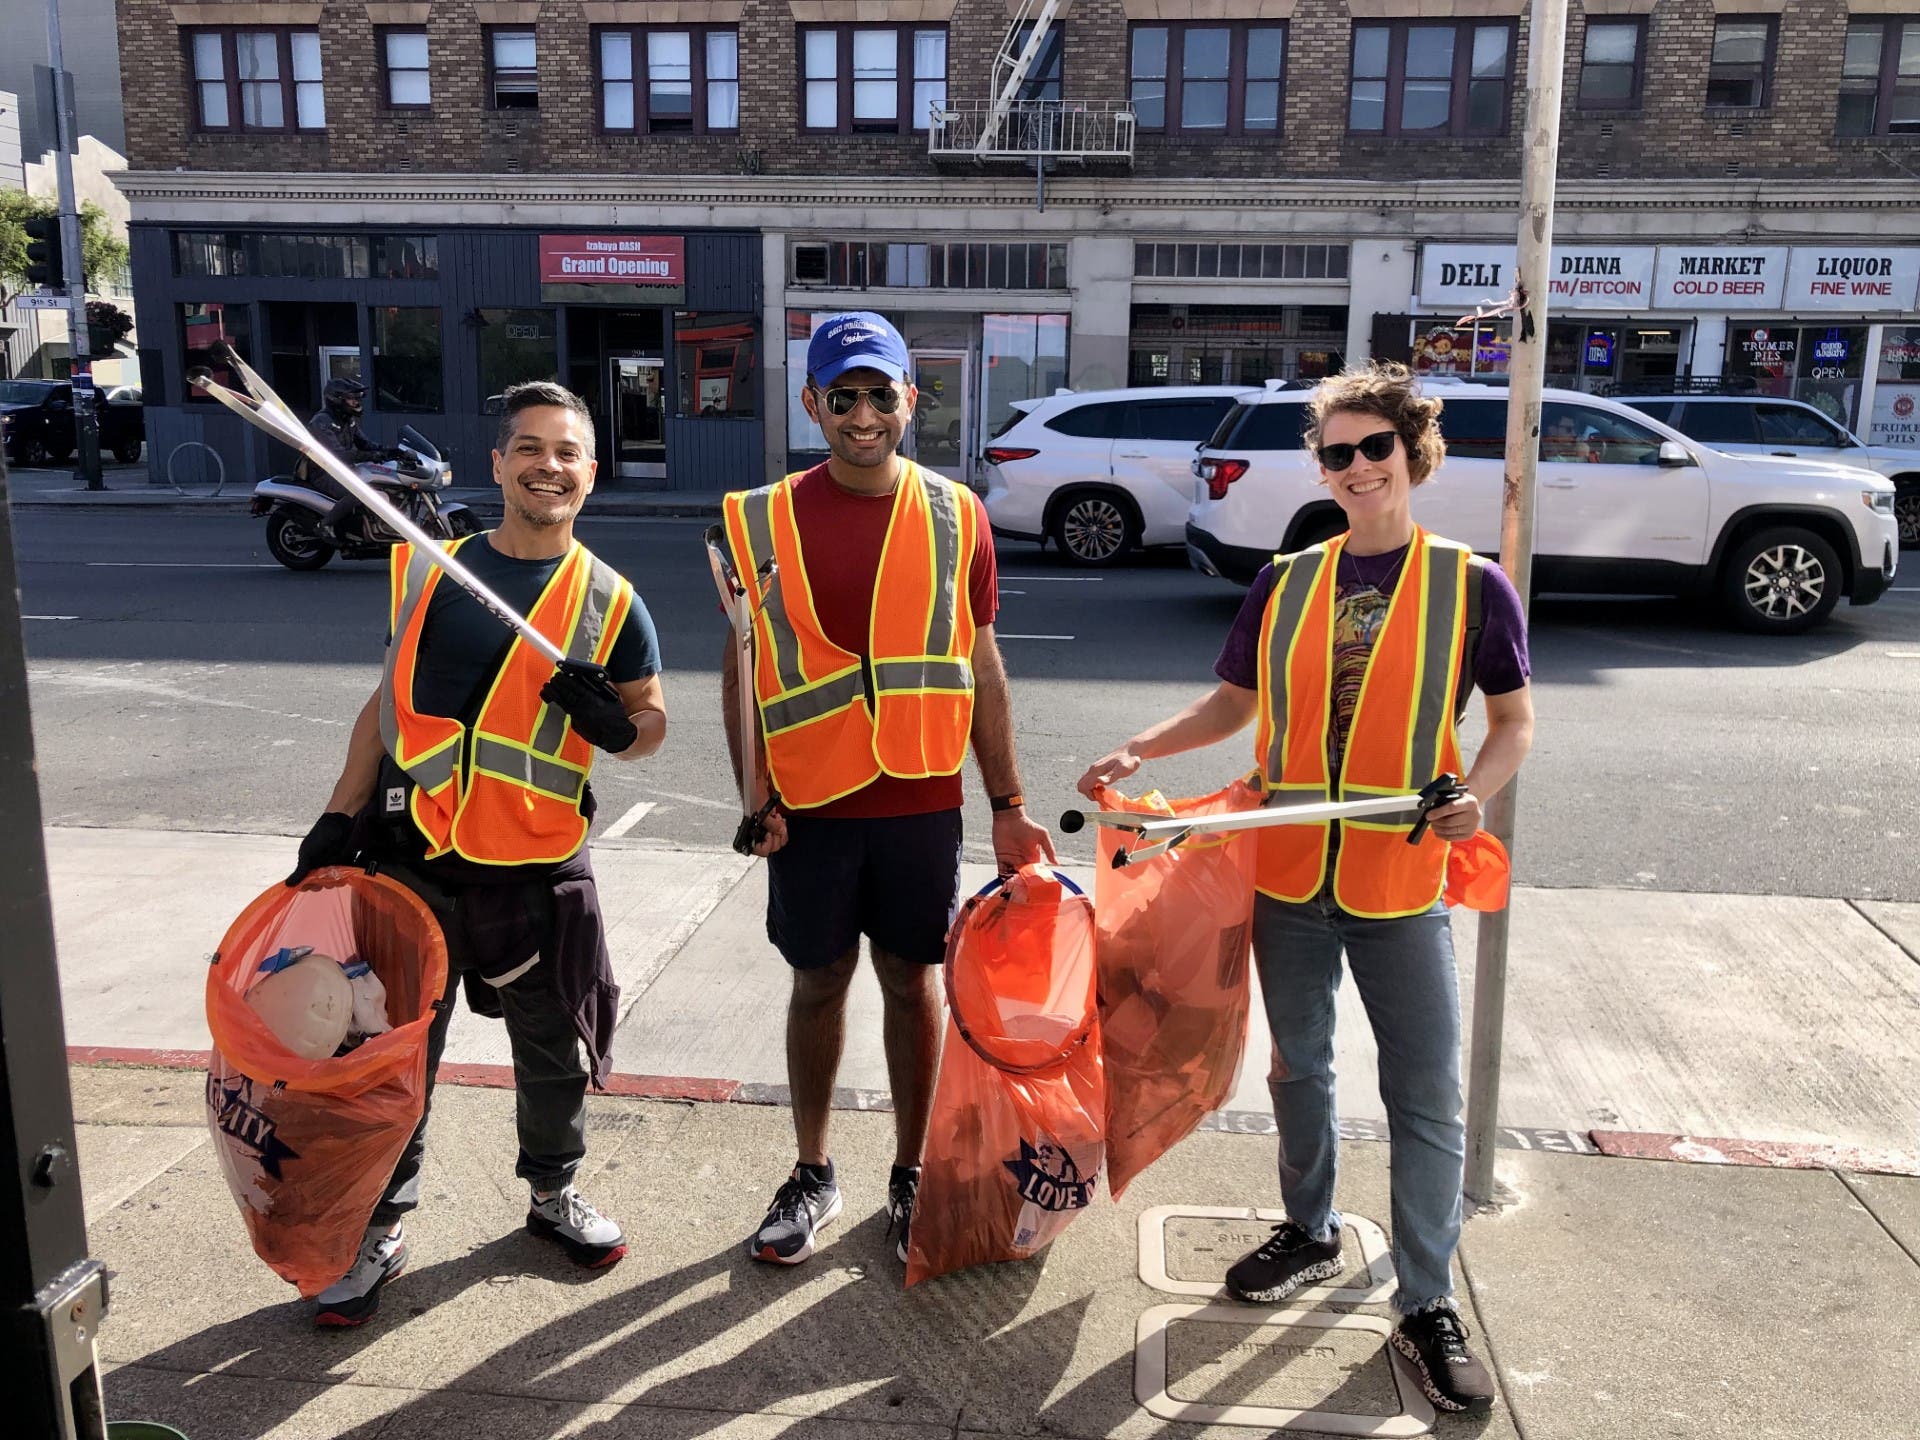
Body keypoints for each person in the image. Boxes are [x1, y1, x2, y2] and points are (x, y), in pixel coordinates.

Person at [1077, 362, 1534, 1415]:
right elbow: (1231, 706)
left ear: (1412, 454)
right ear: (1321, 467)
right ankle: (1311, 1231)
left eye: (1377, 447)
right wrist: (1137, 749)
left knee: (1425, 1099)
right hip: (1288, 874)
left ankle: (1425, 1302)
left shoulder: (1471, 585)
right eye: (1338, 452)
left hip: (1401, 881)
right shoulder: (1287, 581)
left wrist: (1473, 792)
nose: (1360, 466)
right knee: (1300, 1070)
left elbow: (1511, 724)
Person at [287, 380, 668, 1327]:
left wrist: (617, 730)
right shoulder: (430, 571)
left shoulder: (612, 601)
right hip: (414, 862)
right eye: (530, 448)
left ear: (590, 471)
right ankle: (382, 1222)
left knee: (553, 1052)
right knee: (395, 1054)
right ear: (498, 464)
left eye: (568, 452)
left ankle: (551, 1194)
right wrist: (336, 817)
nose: (550, 466)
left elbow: (654, 721)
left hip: (536, 869)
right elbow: (386, 702)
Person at [718, 312, 1055, 1269]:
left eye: (880, 393)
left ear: (912, 397)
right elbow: (741, 668)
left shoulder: (960, 515)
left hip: (918, 801)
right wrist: (756, 794)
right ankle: (813, 1170)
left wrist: (1009, 802)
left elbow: (983, 665)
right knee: (817, 982)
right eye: (843, 396)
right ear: (813, 405)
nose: (862, 414)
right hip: (811, 807)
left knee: (914, 982)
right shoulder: (757, 518)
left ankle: (910, 1173)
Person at [301, 376, 393, 542]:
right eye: (352, 399)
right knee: (360, 492)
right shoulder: (321, 422)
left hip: (344, 470)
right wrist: (372, 456)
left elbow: (365, 444)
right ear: (336, 399)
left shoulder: (347, 420)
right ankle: (325, 525)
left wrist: (391, 452)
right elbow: (338, 455)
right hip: (324, 473)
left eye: (358, 399)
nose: (357, 403)